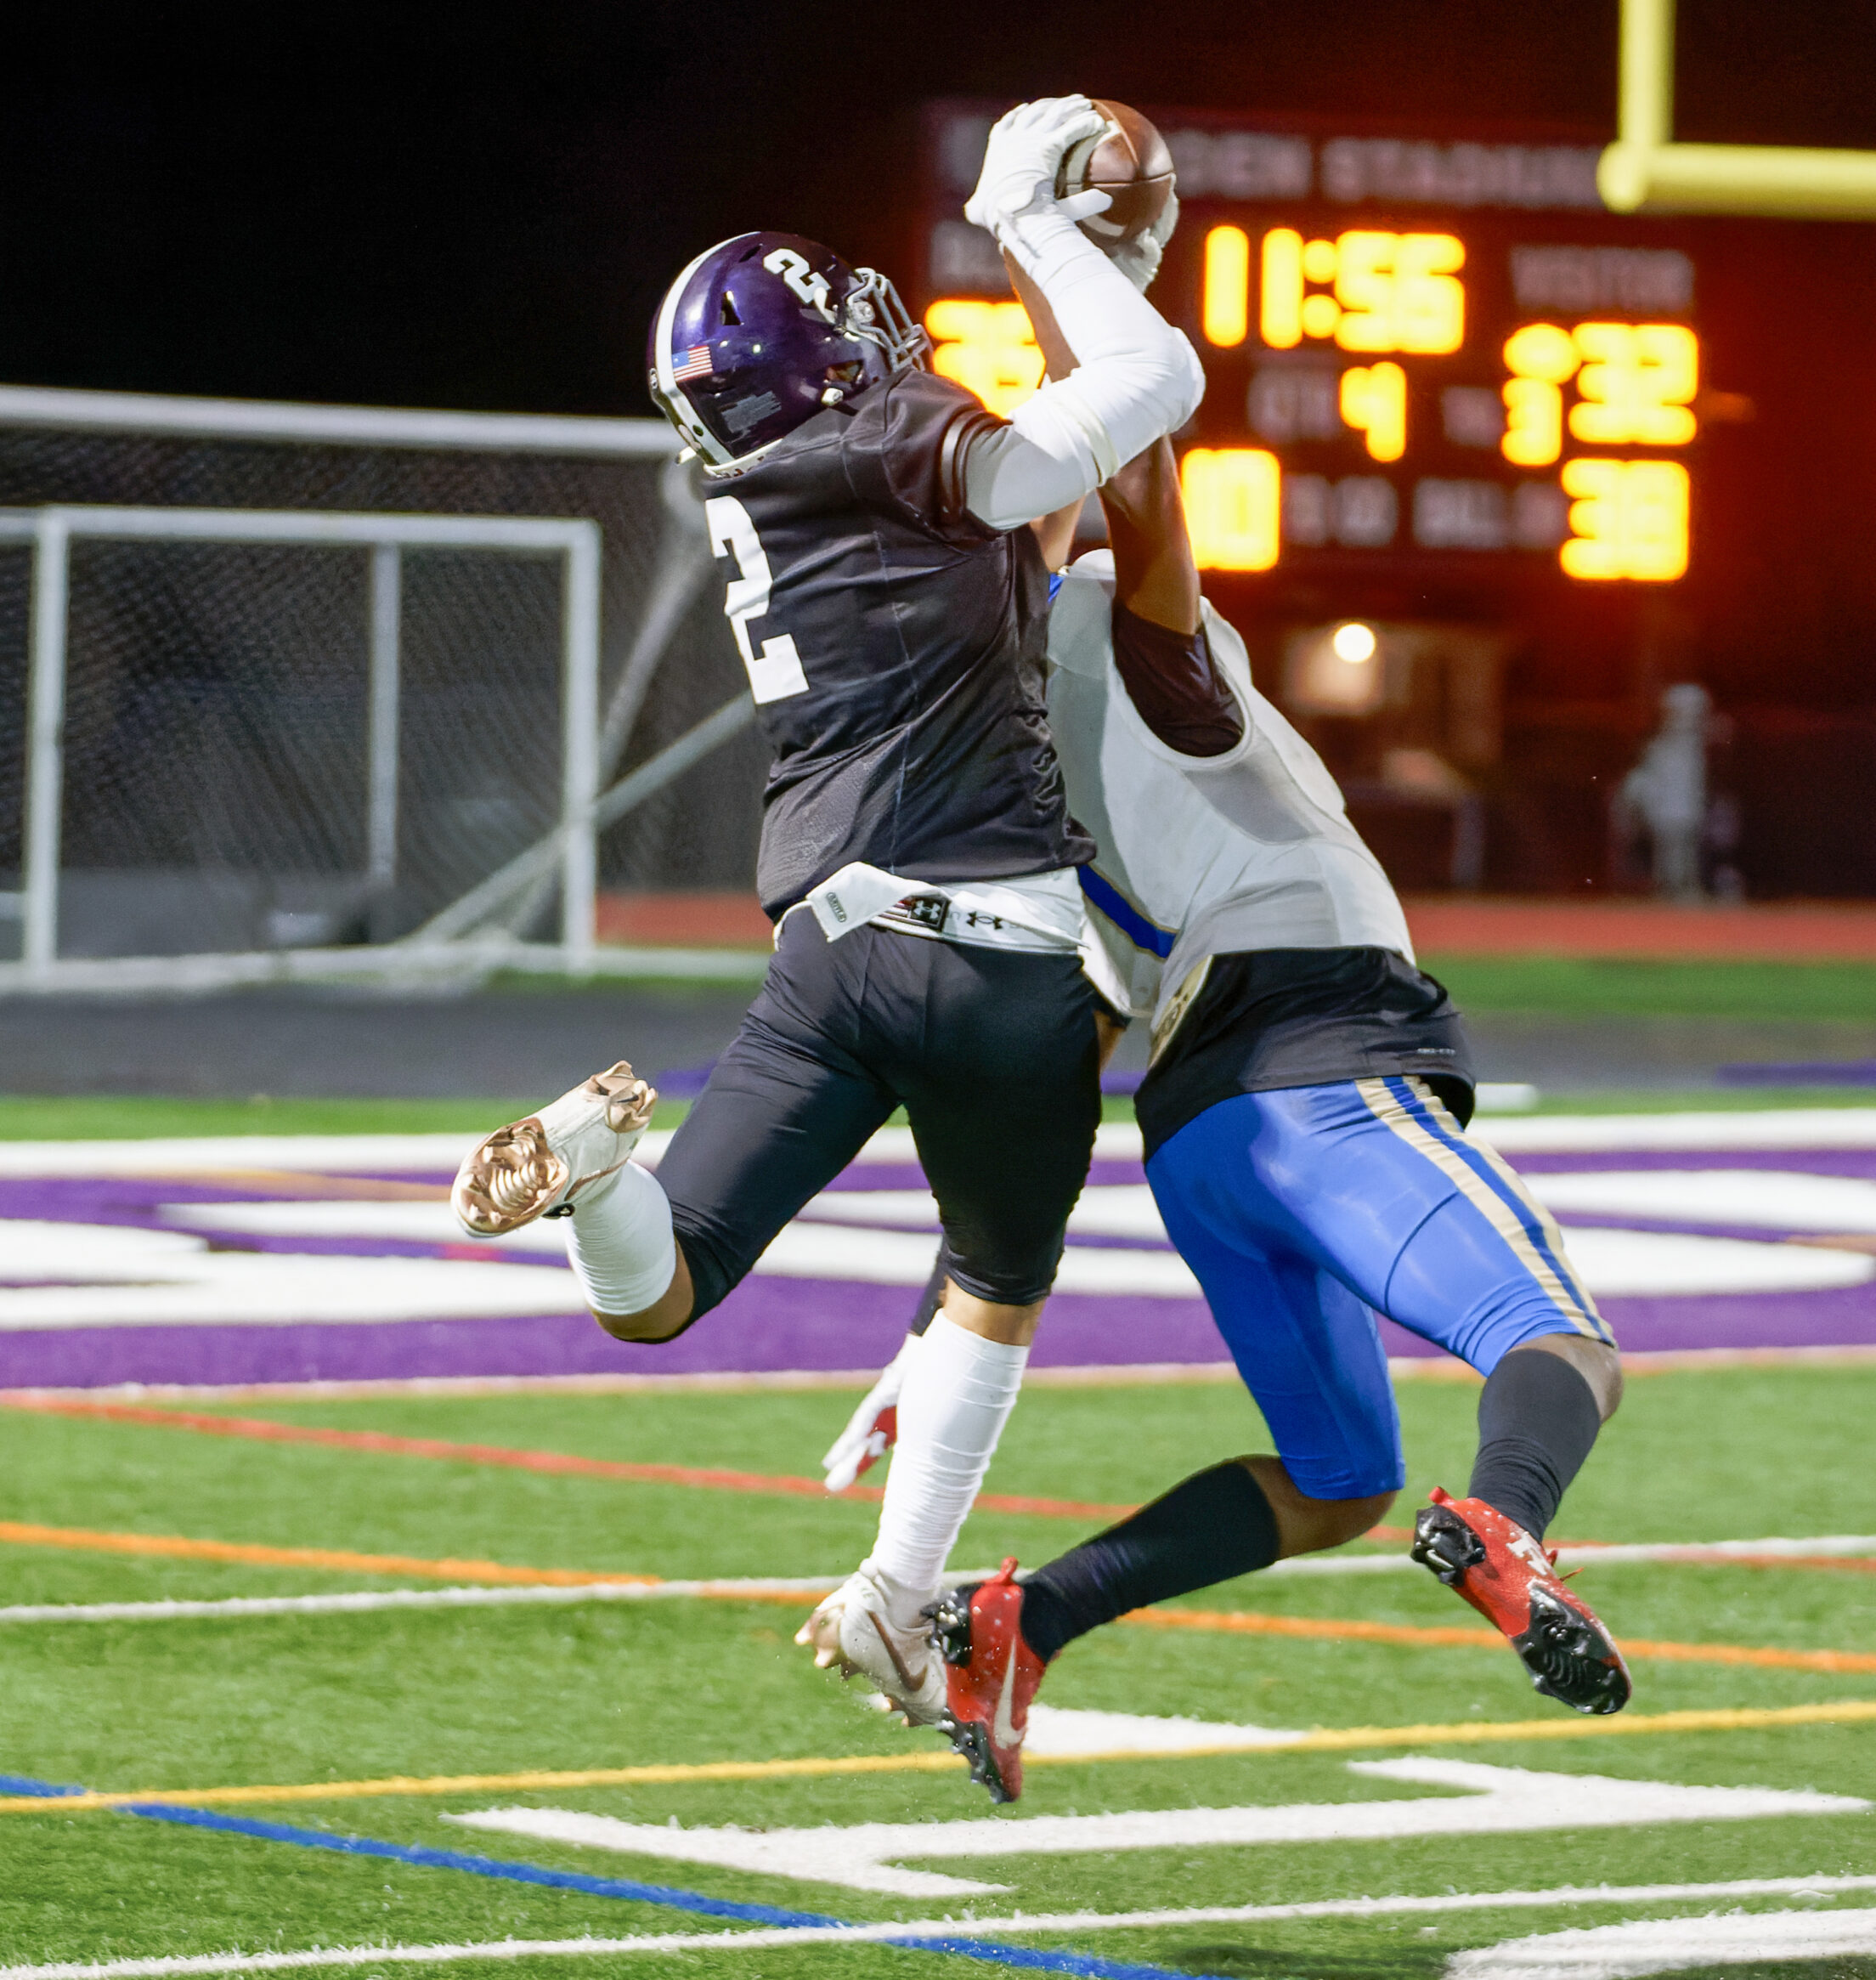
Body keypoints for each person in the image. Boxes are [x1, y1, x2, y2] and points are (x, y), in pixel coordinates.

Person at [449, 98, 1202, 1717]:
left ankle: (596, 1179)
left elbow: (1050, 494)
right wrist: (1037, 228)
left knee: (658, 1292)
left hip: (831, 953)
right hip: (994, 959)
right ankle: (897, 1594)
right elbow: (1153, 392)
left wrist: (1103, 273)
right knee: (999, 1280)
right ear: (818, 349)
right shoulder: (882, 437)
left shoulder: (799, 490)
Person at [817, 371, 1628, 1810]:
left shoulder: (965, 794)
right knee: (1553, 1336)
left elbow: (1039, 1098)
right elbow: (1135, 470)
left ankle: (1026, 1621)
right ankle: (1508, 1522)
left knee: (1337, 1477)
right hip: (1307, 1038)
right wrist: (1083, 287)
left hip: (1189, 1129)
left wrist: (938, 1320)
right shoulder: (1103, 624)